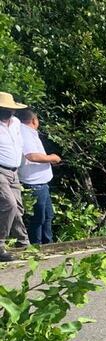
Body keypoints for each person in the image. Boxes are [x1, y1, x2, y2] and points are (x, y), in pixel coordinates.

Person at [18, 109, 60, 244]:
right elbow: (32, 156)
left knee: (48, 215)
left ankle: (48, 243)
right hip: (35, 183)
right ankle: (37, 245)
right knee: (39, 218)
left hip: (41, 182)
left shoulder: (28, 132)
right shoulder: (25, 132)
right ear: (34, 120)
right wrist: (51, 158)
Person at [0, 92, 30, 262]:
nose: (9, 112)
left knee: (18, 208)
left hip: (14, 171)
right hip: (0, 170)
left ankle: (22, 242)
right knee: (9, 205)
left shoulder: (16, 123)